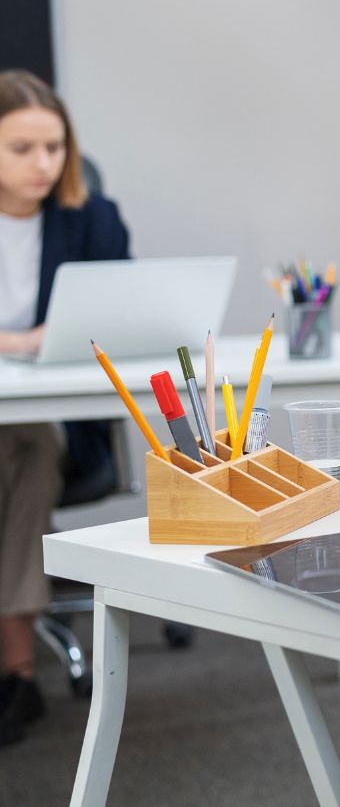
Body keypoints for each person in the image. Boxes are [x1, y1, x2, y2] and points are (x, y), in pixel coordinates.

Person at [0, 69, 130, 747]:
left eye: (54, 147)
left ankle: (17, 666)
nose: (43, 164)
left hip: (53, 422)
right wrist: (18, 342)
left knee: (24, 445)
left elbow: (125, 316)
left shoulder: (91, 218)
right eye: (22, 148)